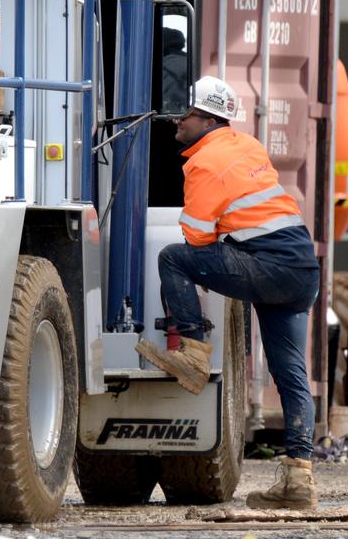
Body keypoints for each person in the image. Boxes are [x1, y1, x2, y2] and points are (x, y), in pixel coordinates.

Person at [135, 76, 321, 510]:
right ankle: (299, 481)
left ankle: (194, 352)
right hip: (301, 266)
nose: (176, 120)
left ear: (206, 119)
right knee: (292, 373)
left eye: (185, 113)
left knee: (172, 258)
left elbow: (197, 238)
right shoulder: (247, 145)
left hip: (266, 265)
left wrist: (213, 230)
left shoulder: (203, 163)